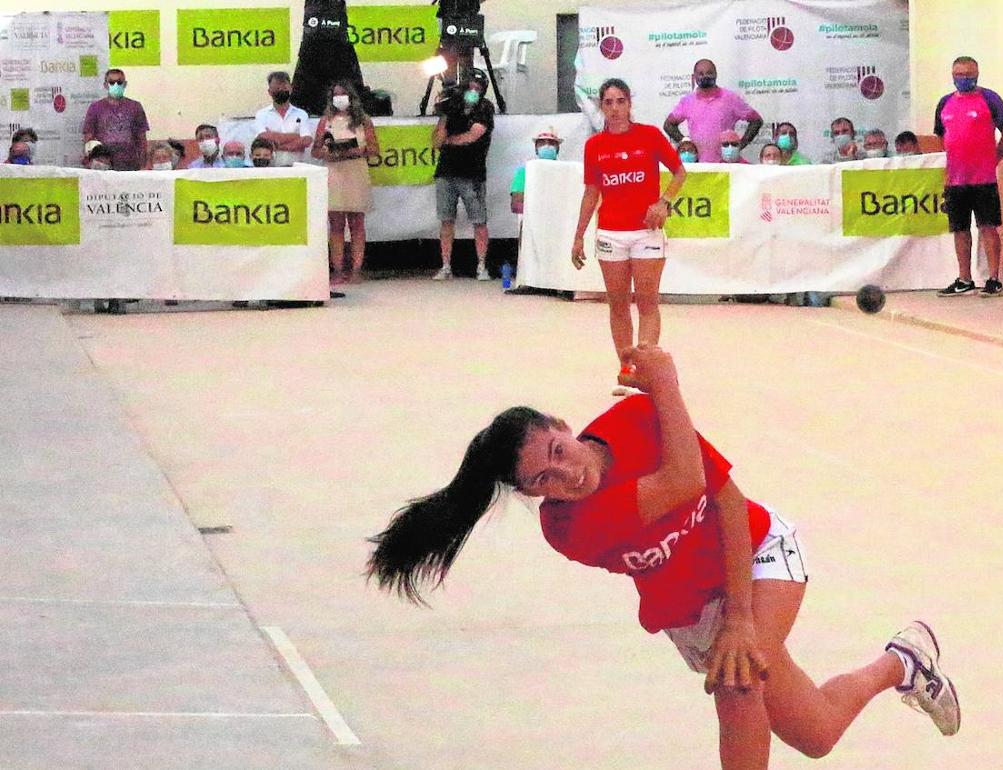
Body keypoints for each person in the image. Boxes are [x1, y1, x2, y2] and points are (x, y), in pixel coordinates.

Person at [365, 344, 961, 770]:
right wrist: (667, 378)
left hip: (757, 553)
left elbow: (724, 497)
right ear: (533, 496)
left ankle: (848, 658)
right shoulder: (570, 528)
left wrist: (742, 617)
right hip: (689, 608)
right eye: (543, 479)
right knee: (816, 734)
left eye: (557, 449)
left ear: (566, 425)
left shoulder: (635, 417)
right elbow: (683, 480)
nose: (565, 474)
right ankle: (900, 663)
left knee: (739, 680)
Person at [571, 78, 686, 393]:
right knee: (618, 305)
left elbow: (680, 172)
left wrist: (663, 202)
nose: (615, 108)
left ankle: (646, 371)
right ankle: (627, 369)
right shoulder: (594, 145)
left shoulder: (649, 136)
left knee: (647, 302)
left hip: (646, 233)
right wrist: (579, 235)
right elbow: (591, 191)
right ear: (602, 106)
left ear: (629, 103)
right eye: (608, 102)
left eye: (620, 101)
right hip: (611, 233)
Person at [934, 56, 1003, 298]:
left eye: (969, 75)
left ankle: (993, 280)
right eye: (959, 75)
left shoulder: (990, 99)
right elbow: (941, 136)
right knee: (959, 229)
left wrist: (994, 159)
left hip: (984, 179)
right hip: (956, 181)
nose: (964, 79)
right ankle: (964, 279)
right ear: (952, 76)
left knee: (987, 227)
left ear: (977, 75)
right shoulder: (944, 103)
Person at [313, 80, 379, 285]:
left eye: (343, 94)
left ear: (351, 97)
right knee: (336, 224)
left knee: (357, 223)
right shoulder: (326, 120)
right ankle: (338, 269)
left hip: (356, 171)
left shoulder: (363, 120)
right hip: (334, 172)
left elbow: (374, 149)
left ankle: (357, 269)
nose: (339, 98)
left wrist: (355, 151)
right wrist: (327, 152)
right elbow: (315, 150)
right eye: (336, 94)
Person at [433, 69, 496, 281]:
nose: (473, 91)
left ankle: (481, 265)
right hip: (446, 171)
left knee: (479, 221)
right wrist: (445, 113)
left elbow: (473, 135)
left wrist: (450, 141)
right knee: (446, 220)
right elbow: (437, 141)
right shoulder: (453, 106)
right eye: (471, 87)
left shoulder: (485, 108)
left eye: (478, 89)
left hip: (472, 173)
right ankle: (445, 265)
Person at [664, 59, 763, 163]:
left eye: (709, 73)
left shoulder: (730, 98)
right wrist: (684, 141)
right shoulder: (687, 101)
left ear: (716, 74)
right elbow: (668, 125)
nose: (705, 76)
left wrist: (741, 144)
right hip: (699, 167)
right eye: (701, 74)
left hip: (725, 165)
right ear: (694, 77)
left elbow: (756, 120)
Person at [82, 69, 149, 171]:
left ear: (125, 84)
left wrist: (144, 164)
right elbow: (88, 138)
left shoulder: (135, 107)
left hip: (130, 163)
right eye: (112, 82)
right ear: (105, 85)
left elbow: (141, 138)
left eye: (119, 82)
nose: (116, 85)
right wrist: (89, 160)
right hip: (103, 163)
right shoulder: (95, 107)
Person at [254, 71, 314, 167]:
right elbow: (263, 137)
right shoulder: (261, 114)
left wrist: (277, 145)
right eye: (277, 88)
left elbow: (306, 140)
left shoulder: (302, 114)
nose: (281, 90)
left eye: (284, 87)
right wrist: (296, 137)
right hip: (271, 169)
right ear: (269, 92)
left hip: (297, 169)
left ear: (291, 89)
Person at [511, 129, 562, 216]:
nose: (547, 146)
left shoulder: (566, 171)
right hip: (532, 223)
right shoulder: (523, 172)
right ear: (536, 148)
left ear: (558, 148)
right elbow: (516, 206)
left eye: (551, 143)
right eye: (542, 143)